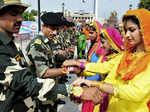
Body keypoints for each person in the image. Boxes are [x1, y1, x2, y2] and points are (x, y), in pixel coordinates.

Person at [0, 0, 105, 112]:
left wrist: (72, 65)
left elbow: (55, 60)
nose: (20, 19)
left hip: (36, 99)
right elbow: (28, 81)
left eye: (21, 14)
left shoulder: (11, 43)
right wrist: (75, 89)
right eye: (13, 13)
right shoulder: (32, 45)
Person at [63, 9, 150, 112]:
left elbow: (136, 93)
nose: (126, 35)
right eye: (126, 30)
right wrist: (80, 67)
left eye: (132, 30)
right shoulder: (126, 56)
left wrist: (94, 84)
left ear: (145, 30)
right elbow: (105, 68)